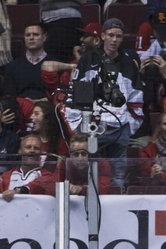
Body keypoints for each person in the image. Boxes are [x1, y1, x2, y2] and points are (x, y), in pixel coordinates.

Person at [63, 18, 143, 188]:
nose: (114, 40)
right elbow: (79, 96)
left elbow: (136, 97)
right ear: (103, 36)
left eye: (119, 36)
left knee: (118, 179)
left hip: (120, 129)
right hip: (94, 129)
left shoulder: (129, 64)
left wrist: (130, 126)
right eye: (111, 35)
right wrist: (79, 127)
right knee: (92, 176)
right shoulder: (88, 59)